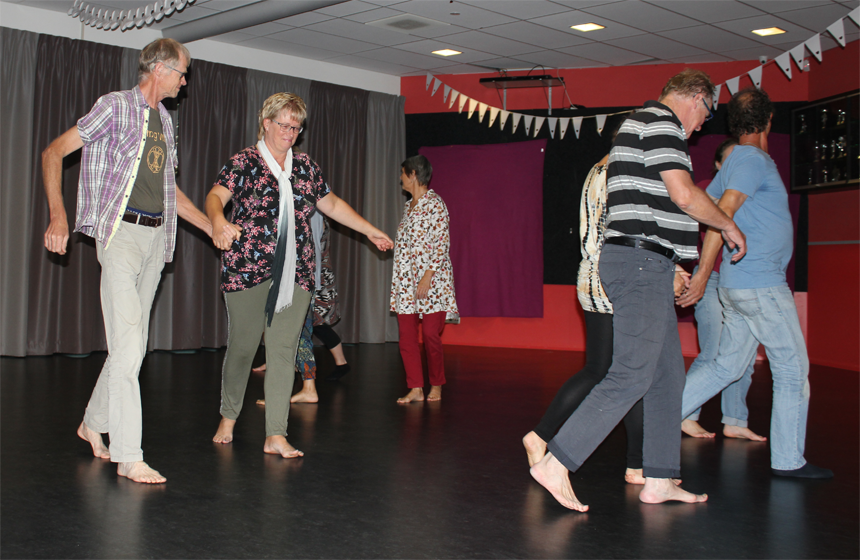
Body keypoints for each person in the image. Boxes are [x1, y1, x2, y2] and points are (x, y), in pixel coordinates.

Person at [530, 69, 747, 511]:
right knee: (630, 373)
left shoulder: (639, 125)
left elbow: (647, 211)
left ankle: (660, 477)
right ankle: (558, 460)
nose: (704, 124)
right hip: (641, 263)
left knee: (667, 378)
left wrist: (668, 262)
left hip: (647, 260)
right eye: (706, 112)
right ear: (695, 97)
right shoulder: (662, 123)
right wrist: (727, 225)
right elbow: (684, 195)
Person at [41, 38, 213, 484]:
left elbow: (172, 194)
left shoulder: (166, 122)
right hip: (120, 235)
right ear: (158, 68)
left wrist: (212, 228)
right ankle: (129, 454)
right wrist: (59, 216)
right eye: (182, 72)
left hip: (157, 239)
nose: (185, 80)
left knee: (129, 346)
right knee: (130, 345)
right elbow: (53, 152)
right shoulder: (114, 107)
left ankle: (92, 422)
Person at [207, 92, 392, 458]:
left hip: (297, 270)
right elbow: (216, 196)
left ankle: (275, 433)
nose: (290, 133)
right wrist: (216, 221)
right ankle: (228, 416)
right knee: (243, 348)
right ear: (266, 123)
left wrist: (369, 230)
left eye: (296, 127)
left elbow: (332, 204)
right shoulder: (244, 161)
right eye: (284, 125)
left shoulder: (306, 167)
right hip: (247, 268)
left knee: (283, 350)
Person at [680, 88, 832, 479]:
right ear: (768, 121)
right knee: (792, 368)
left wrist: (706, 270)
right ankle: (788, 460)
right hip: (759, 284)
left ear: (734, 123)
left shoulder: (735, 161)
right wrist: (701, 272)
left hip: (739, 284)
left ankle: (655, 418)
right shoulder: (750, 159)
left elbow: (703, 204)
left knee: (726, 366)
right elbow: (722, 213)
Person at [522, 142, 691, 484]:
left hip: (594, 276)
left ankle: (548, 437)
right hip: (615, 279)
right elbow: (625, 235)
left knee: (607, 369)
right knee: (630, 371)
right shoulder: (617, 175)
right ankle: (628, 461)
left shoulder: (594, 172)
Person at [677, 138, 763, 441]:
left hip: (741, 278)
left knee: (744, 356)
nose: (736, 167)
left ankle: (735, 419)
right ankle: (685, 415)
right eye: (729, 160)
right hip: (711, 277)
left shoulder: (748, 192)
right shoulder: (705, 188)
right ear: (717, 165)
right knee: (713, 351)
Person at [254, 209, 351, 406]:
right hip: (297, 279)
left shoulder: (311, 211)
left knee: (296, 334)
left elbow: (312, 248)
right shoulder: (305, 207)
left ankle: (304, 389)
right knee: (295, 335)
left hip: (299, 281)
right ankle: (305, 387)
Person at [391, 155, 458, 404]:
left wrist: (427, 277)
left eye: (402, 173)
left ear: (413, 175)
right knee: (407, 336)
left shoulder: (436, 204)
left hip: (433, 281)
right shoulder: (408, 207)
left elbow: (441, 244)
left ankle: (437, 384)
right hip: (406, 281)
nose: (400, 178)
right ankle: (415, 387)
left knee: (430, 333)